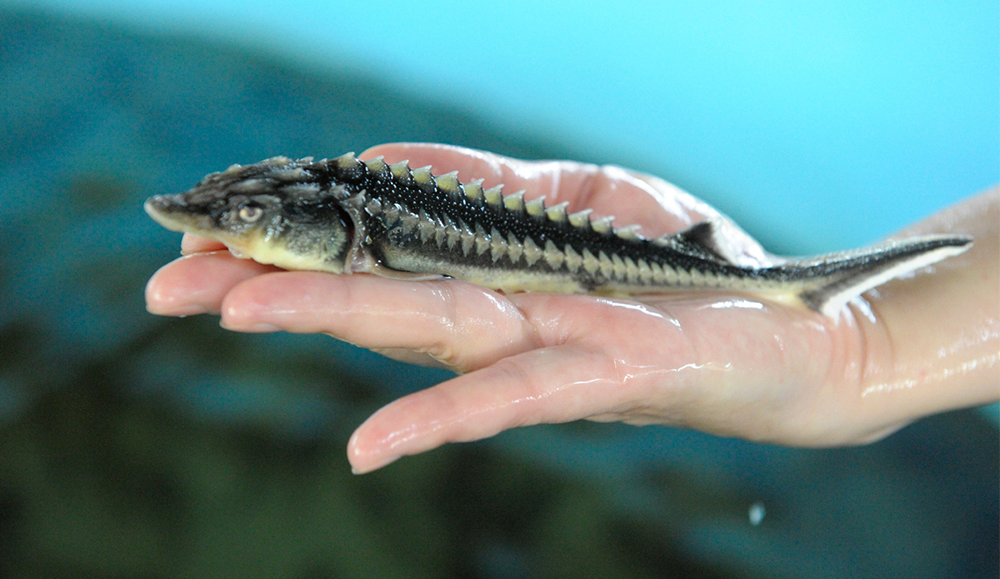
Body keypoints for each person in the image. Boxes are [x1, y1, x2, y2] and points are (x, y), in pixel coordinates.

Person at [145, 143, 1000, 474]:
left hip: (649, 265)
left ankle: (797, 289)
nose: (224, 223)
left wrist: (862, 345)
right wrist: (869, 351)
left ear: (339, 236)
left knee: (774, 285)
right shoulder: (346, 209)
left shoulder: (372, 228)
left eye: (249, 216)